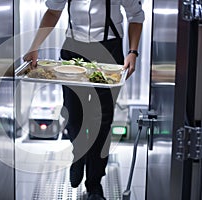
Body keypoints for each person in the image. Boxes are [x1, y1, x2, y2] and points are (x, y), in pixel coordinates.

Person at [23, 0, 144, 199]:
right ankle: (79, 153)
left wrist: (133, 52)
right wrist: (35, 46)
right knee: (73, 114)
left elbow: (136, 16)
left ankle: (94, 184)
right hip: (73, 50)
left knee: (102, 121)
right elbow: (53, 12)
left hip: (108, 50)